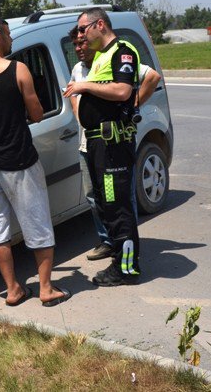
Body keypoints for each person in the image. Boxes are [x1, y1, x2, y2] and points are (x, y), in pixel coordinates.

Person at [0, 18, 71, 307]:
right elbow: (37, 113)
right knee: (38, 223)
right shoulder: (18, 70)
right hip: (19, 161)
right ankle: (45, 288)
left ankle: (14, 289)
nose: (11, 40)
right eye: (8, 35)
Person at [68, 27, 162, 261]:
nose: (80, 47)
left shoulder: (112, 58)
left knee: (118, 200)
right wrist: (79, 111)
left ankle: (125, 256)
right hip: (88, 146)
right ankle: (110, 242)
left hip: (112, 148)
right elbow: (72, 92)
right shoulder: (79, 69)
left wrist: (133, 105)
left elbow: (150, 77)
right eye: (76, 45)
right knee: (96, 197)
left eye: (83, 41)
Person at [63, 7, 141, 286]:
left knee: (118, 207)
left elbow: (123, 91)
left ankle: (127, 269)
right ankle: (120, 261)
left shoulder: (122, 50)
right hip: (98, 144)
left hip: (112, 146)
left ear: (99, 25)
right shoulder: (102, 58)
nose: (81, 35)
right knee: (107, 205)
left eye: (84, 29)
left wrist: (85, 88)